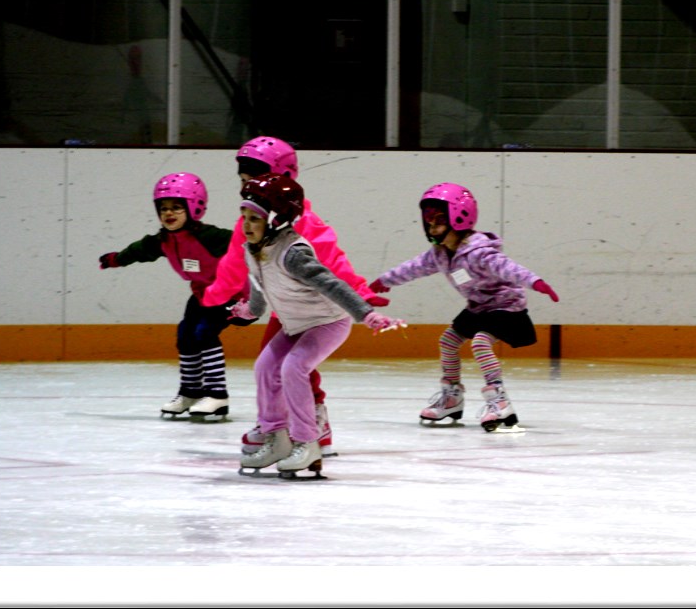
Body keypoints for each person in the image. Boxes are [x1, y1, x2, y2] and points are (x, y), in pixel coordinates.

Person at [200, 136, 388, 457]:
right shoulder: (251, 224)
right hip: (284, 307)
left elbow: (333, 270)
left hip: (318, 311)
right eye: (244, 179)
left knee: (297, 368)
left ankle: (313, 426)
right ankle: (274, 428)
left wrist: (363, 297)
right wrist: (223, 299)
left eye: (255, 176)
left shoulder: (305, 226)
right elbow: (242, 267)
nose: (247, 184)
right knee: (269, 365)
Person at [230, 174, 398, 478]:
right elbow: (258, 291)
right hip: (296, 324)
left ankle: (307, 442)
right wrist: (248, 311)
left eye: (254, 218)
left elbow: (332, 284)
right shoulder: (253, 250)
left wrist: (366, 314)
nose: (246, 224)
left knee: (293, 367)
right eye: (243, 216)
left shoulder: (293, 253)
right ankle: (277, 438)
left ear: (276, 219)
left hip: (328, 322)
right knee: (265, 367)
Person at [369, 183, 559, 433]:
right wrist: (384, 281)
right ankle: (451, 398)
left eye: (438, 219)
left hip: (506, 307)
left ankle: (499, 401)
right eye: (428, 220)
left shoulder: (479, 253)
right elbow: (412, 267)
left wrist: (536, 282)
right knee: (448, 341)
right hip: (479, 307)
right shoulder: (440, 253)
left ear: (459, 219)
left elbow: (509, 269)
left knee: (480, 343)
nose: (431, 226)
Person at [99, 172, 245, 421]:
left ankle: (217, 395)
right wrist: (115, 259)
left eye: (177, 207)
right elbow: (140, 250)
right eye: (164, 208)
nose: (169, 213)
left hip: (232, 294)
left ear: (194, 208)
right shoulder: (164, 240)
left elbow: (244, 244)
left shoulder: (210, 236)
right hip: (201, 294)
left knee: (204, 333)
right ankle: (190, 392)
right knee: (186, 335)